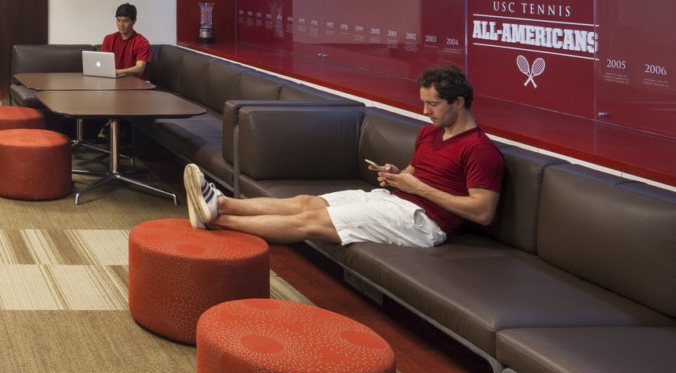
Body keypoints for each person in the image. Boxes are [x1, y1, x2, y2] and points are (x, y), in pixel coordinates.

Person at [184, 65, 504, 249]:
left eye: (432, 104)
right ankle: (220, 203)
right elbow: (415, 172)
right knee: (307, 202)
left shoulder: (479, 149)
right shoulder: (431, 133)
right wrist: (398, 174)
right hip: (394, 200)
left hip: (423, 224)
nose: (425, 111)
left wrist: (417, 188)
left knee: (311, 221)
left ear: (458, 102)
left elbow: (482, 212)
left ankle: (217, 220)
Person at [101, 3, 152, 79]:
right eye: (118, 20)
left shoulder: (142, 42)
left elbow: (140, 68)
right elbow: (104, 63)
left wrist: (118, 72)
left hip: (137, 84)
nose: (121, 25)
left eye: (125, 21)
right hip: (114, 81)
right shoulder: (108, 39)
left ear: (134, 21)